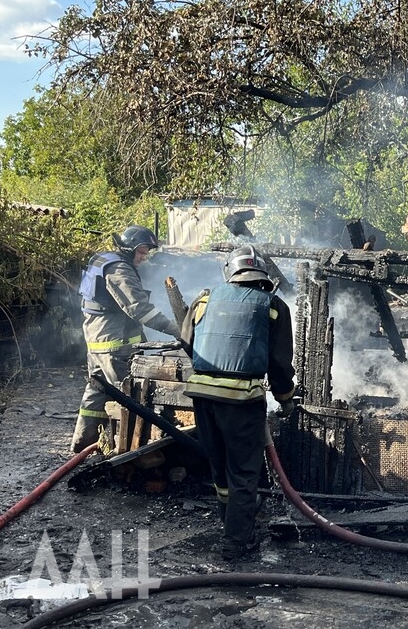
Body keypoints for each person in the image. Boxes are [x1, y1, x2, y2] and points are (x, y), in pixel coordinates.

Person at [180, 244, 296, 561]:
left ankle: (230, 525)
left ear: (230, 272)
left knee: (221, 470)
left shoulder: (204, 300)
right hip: (242, 402)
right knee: (244, 473)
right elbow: (280, 365)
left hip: (202, 397)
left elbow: (188, 342)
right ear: (262, 274)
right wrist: (286, 400)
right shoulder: (273, 306)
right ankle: (237, 544)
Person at [72, 225, 181, 453]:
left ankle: (83, 443)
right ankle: (130, 452)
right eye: (141, 252)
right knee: (130, 396)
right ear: (128, 247)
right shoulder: (119, 268)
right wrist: (176, 329)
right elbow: (139, 308)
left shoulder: (103, 260)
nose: (143, 257)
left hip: (97, 340)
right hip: (115, 344)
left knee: (96, 390)